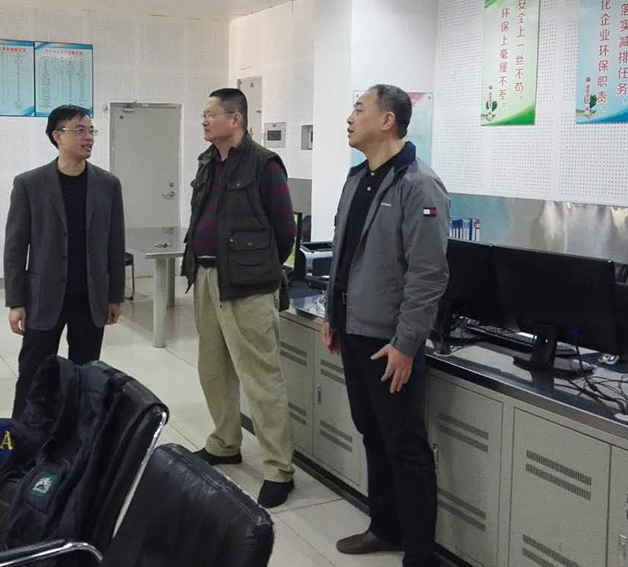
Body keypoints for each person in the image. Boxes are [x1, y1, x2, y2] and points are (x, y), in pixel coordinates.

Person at [320, 84, 449, 566]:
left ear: (387, 120)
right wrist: (333, 315)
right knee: (371, 432)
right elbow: (343, 253)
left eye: (359, 109)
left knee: (405, 444)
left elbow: (428, 273)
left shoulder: (419, 184)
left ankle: (419, 554)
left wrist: (407, 343)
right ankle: (384, 527)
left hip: (390, 342)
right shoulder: (357, 178)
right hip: (354, 330)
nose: (350, 118)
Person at [182, 87, 297, 508]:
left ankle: (278, 468)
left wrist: (256, 268)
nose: (204, 121)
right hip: (207, 277)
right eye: (203, 114)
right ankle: (225, 442)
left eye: (210, 114)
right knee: (213, 370)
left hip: (247, 286)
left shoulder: (265, 164)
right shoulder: (208, 162)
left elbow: (284, 231)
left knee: (260, 378)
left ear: (235, 120)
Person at [4, 104, 125, 418]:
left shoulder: (108, 184)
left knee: (86, 375)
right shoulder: (30, 184)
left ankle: (76, 433)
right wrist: (16, 301)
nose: (89, 137)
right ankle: (22, 433)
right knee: (33, 374)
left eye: (91, 130)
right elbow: (15, 247)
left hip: (90, 297)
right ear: (58, 136)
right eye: (80, 130)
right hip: (44, 297)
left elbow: (115, 243)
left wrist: (115, 295)